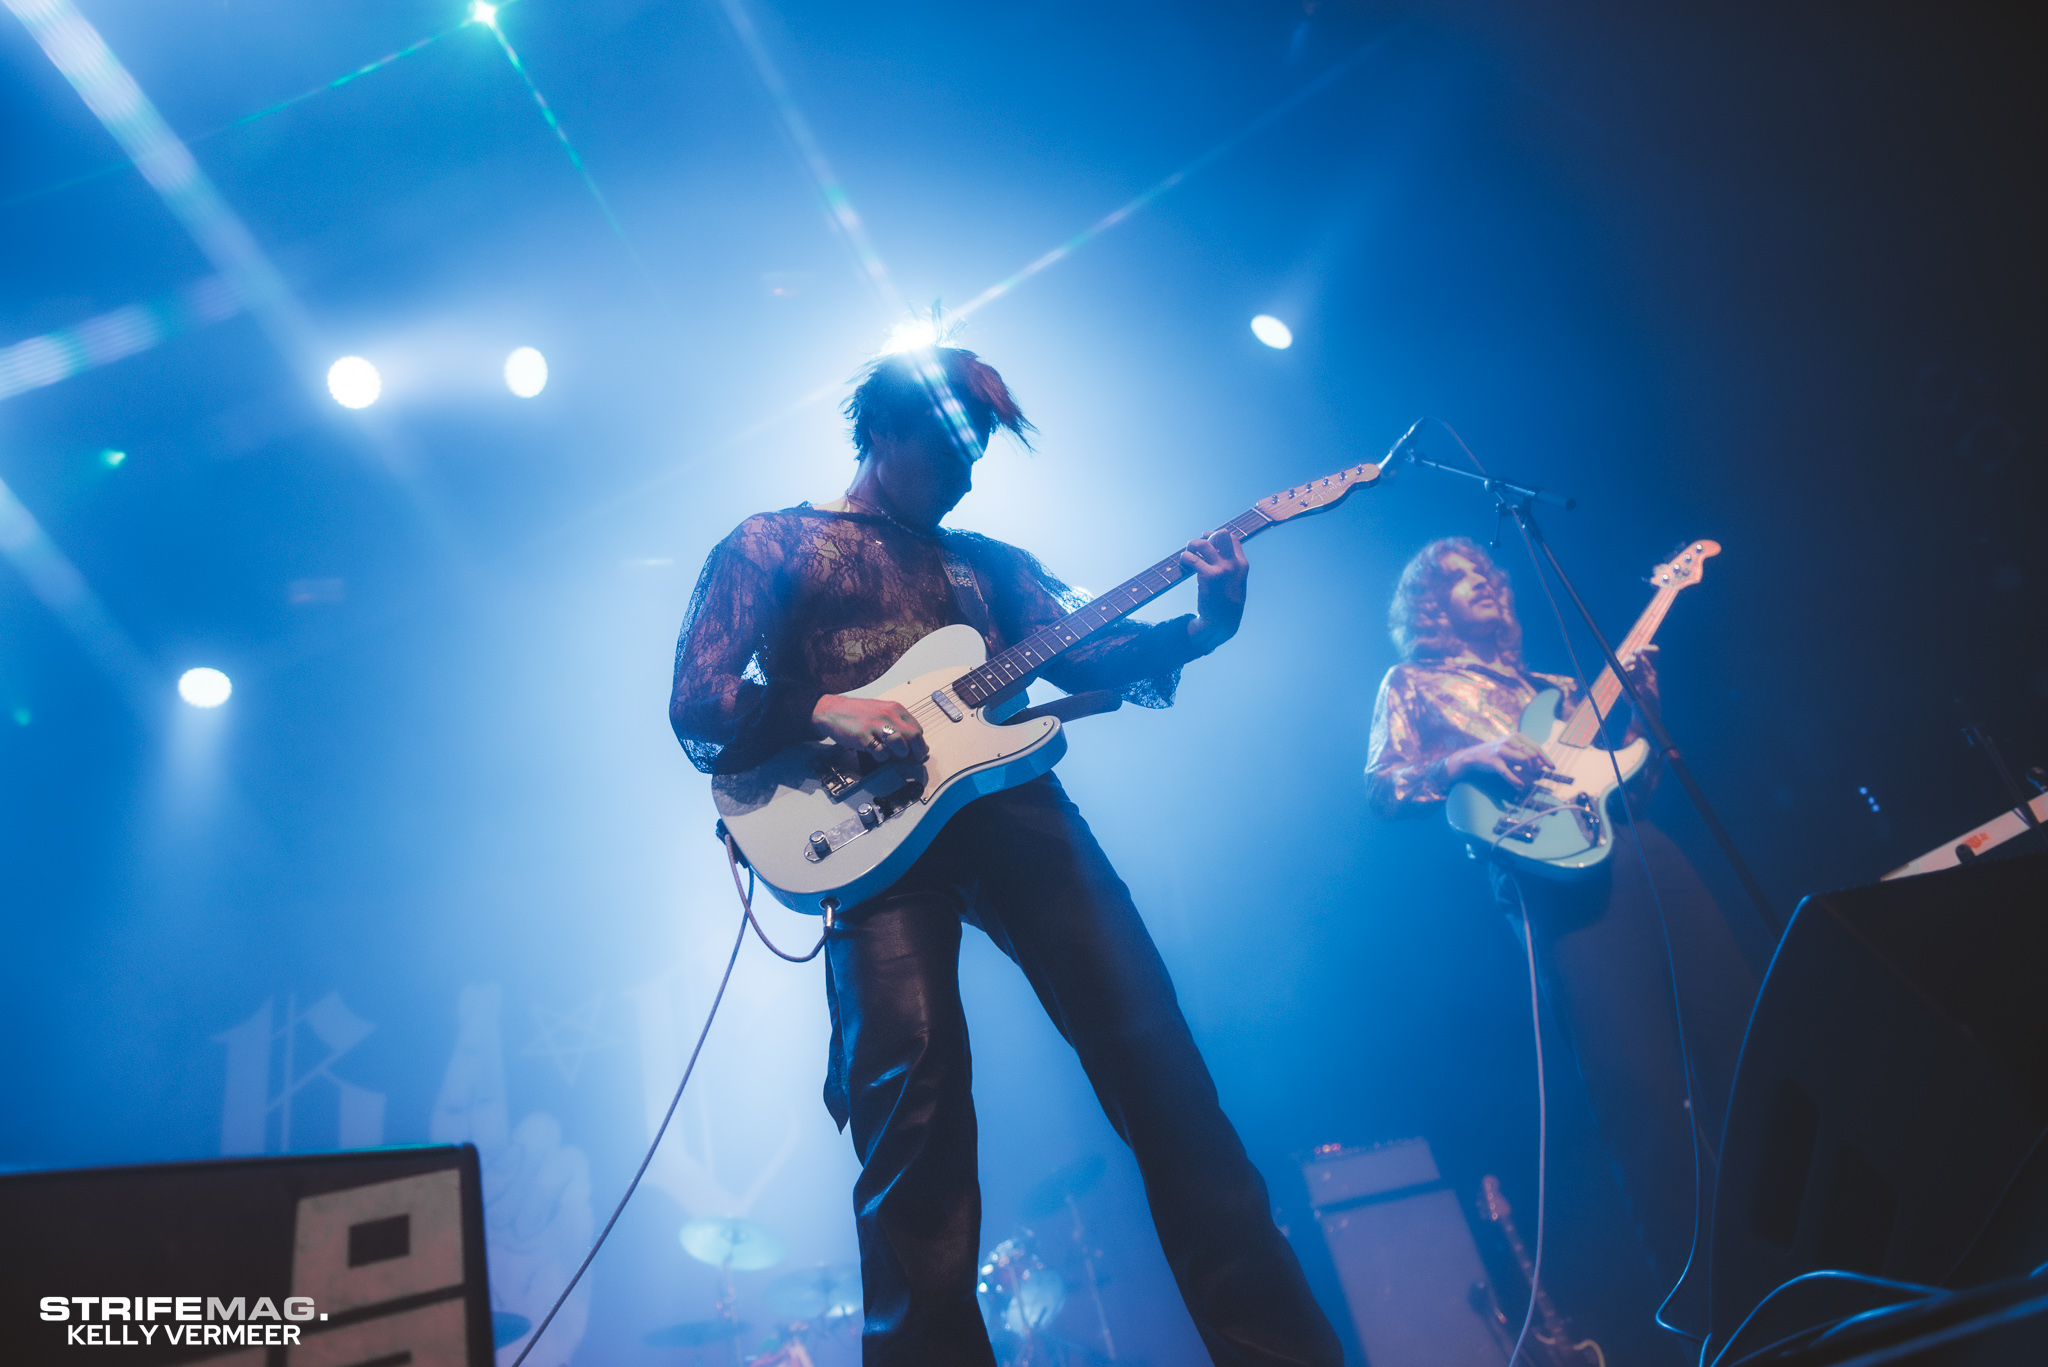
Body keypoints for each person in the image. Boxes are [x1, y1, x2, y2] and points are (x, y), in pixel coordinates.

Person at [670, 347, 1341, 1367]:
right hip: (869, 842)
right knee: (913, 1135)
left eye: (976, 453)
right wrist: (819, 705)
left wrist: (1203, 627)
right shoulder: (774, 541)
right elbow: (700, 698)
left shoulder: (989, 562)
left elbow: (1084, 655)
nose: (965, 473)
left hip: (1016, 806)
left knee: (1163, 1077)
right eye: (945, 450)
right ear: (881, 433)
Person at [1364, 537, 1759, 1315]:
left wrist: (1647, 705)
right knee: (1642, 1093)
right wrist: (1465, 758)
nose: (1482, 582)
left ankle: (1819, 1251)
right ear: (1429, 607)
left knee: (1743, 1034)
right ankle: (1712, 1315)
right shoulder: (1414, 681)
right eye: (1458, 578)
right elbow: (1382, 788)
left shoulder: (1561, 686)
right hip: (1555, 891)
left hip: (1646, 855)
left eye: (1487, 573)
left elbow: (1627, 799)